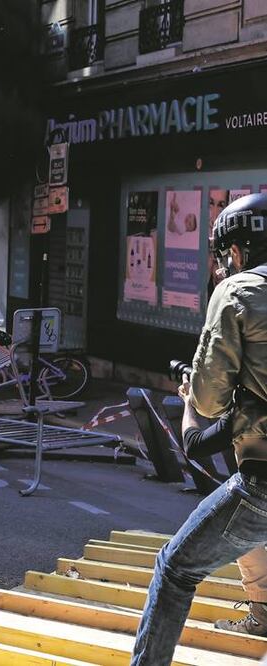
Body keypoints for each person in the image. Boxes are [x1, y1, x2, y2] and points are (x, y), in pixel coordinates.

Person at [131, 193, 267, 664]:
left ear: (237, 250)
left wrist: (189, 403)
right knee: (246, 529)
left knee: (175, 569)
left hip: (264, 483)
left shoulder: (236, 293)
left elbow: (209, 403)